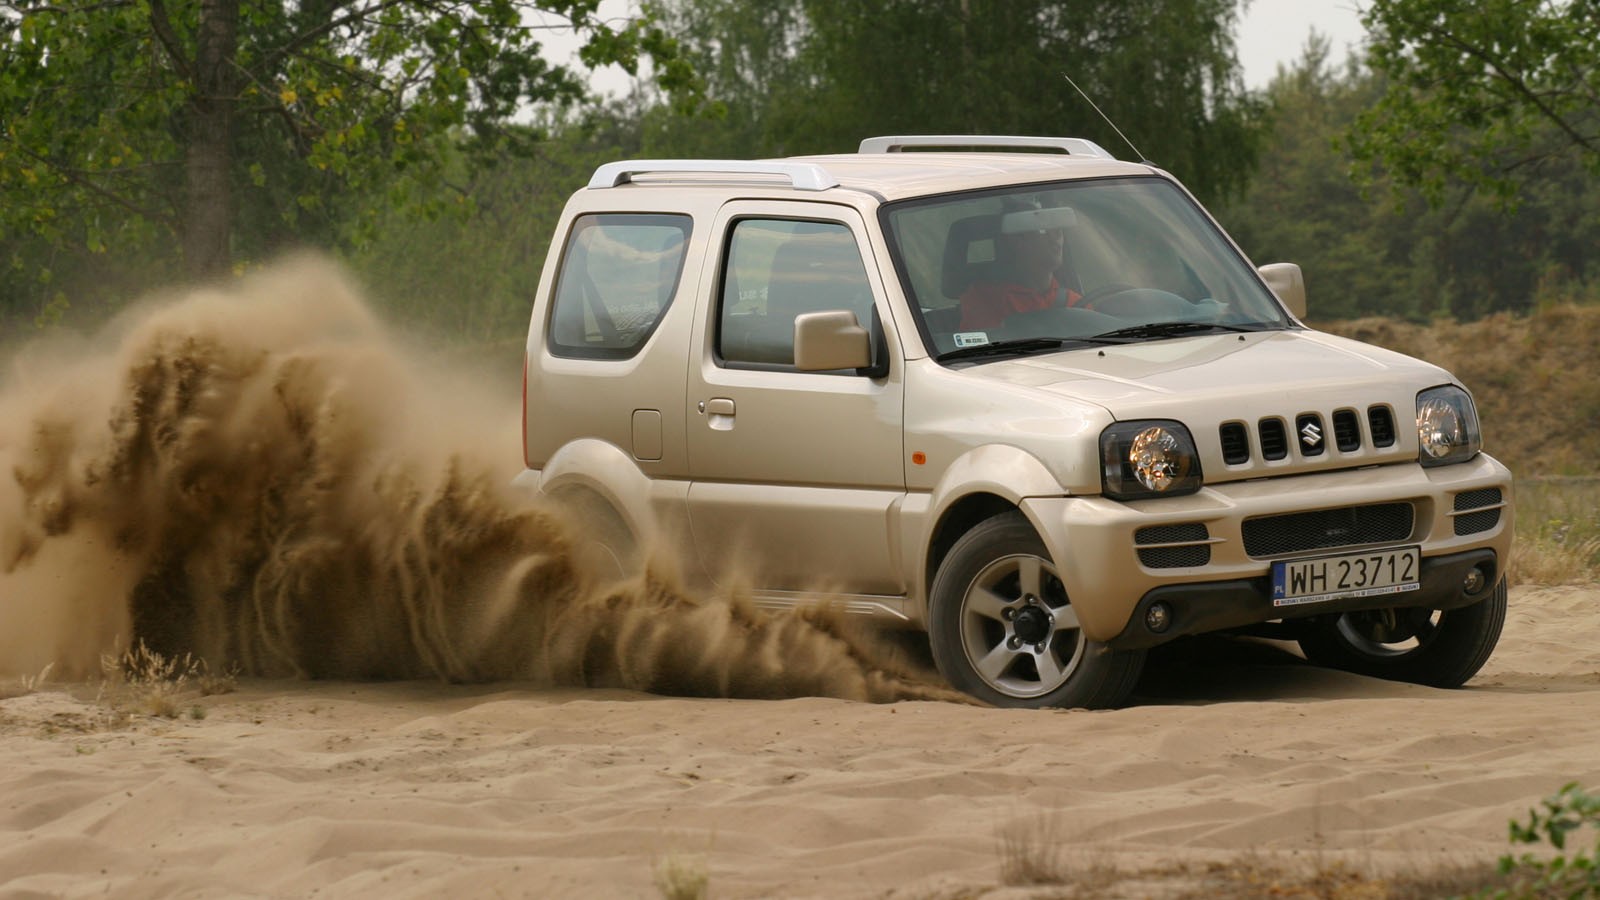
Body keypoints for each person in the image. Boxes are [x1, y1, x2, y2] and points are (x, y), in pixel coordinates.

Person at [957, 206, 1084, 330]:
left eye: (1057, 228)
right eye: (1043, 229)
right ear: (1016, 240)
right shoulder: (985, 300)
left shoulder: (1075, 302)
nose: (1056, 235)